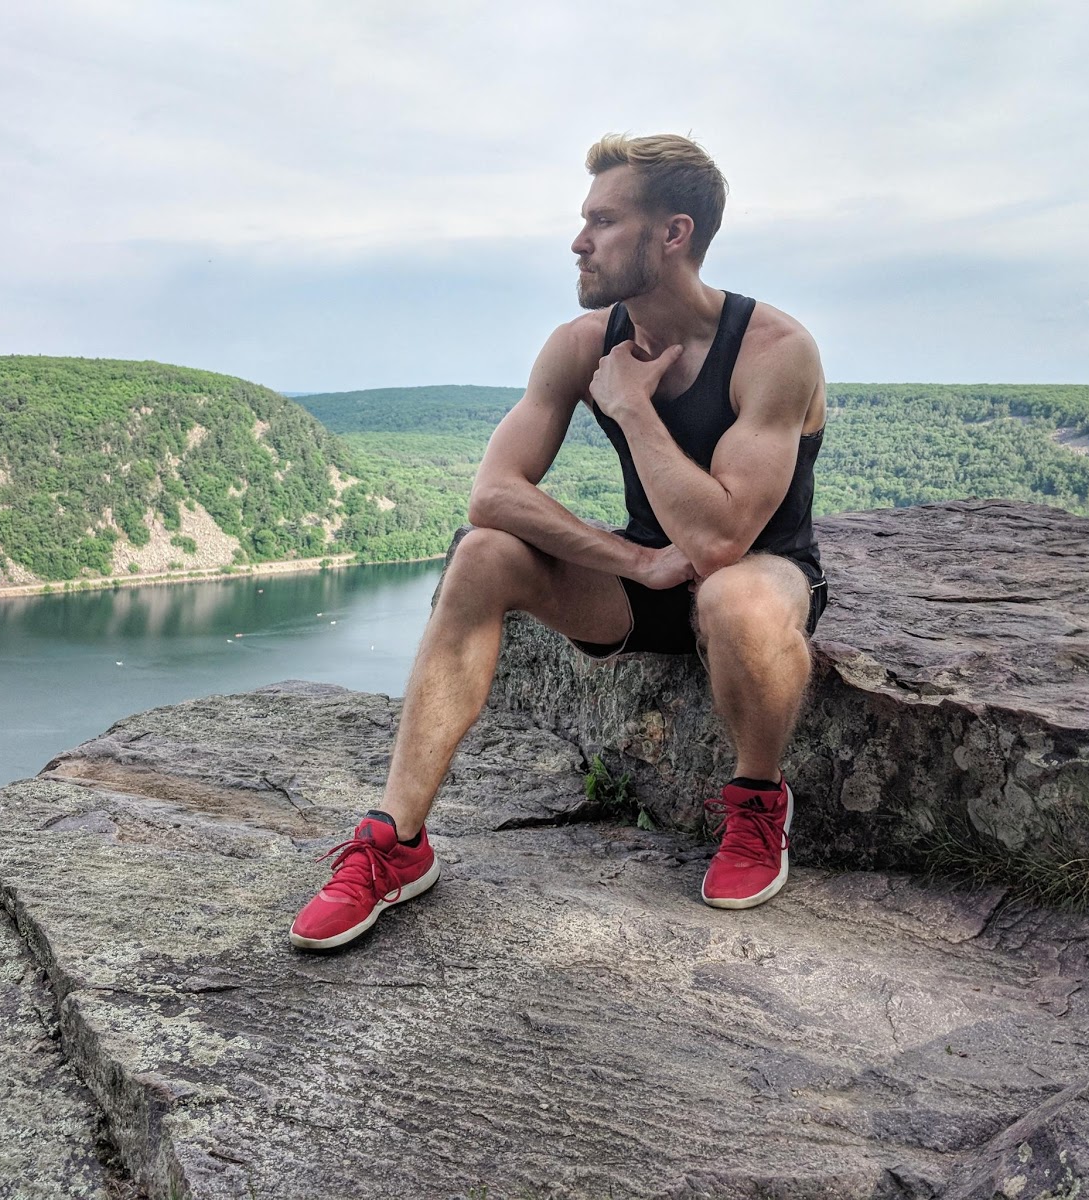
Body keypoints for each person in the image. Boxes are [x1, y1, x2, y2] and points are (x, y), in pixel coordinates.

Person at [290, 133, 828, 951]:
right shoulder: (581, 344)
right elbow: (493, 493)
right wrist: (636, 560)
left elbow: (722, 540)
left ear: (673, 233)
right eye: (584, 220)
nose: (579, 242)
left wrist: (633, 407)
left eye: (603, 222)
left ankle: (757, 803)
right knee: (481, 553)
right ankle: (395, 843)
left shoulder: (775, 351)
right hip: (650, 574)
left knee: (733, 597)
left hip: (759, 571)